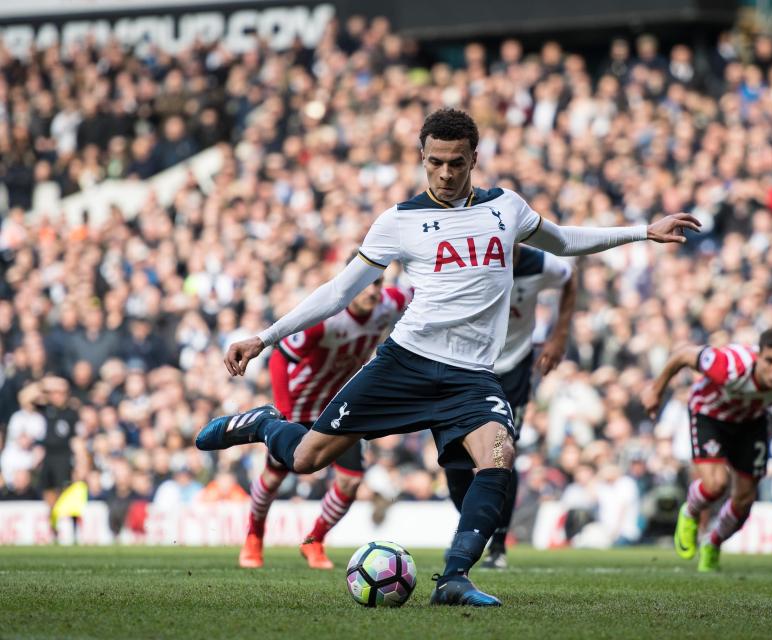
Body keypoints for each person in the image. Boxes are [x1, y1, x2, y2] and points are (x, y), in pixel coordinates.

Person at [196, 108, 699, 607]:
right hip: (405, 362)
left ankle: (454, 579)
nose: (445, 172)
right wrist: (264, 338)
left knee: (499, 456)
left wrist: (641, 231)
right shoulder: (399, 221)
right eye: (435, 161)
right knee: (306, 459)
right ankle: (263, 422)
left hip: (471, 377)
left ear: (474, 159)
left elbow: (564, 242)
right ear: (422, 157)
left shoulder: (507, 208)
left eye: (456, 162)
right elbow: (337, 291)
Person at [641, 326, 772, 572]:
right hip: (709, 415)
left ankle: (713, 543)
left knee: (745, 500)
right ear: (759, 355)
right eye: (770, 361)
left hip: (750, 422)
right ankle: (691, 510)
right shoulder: (730, 364)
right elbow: (683, 355)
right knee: (716, 485)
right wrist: (656, 389)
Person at [239, 277, 408, 569]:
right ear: (350, 284)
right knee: (274, 476)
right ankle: (254, 536)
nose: (372, 290)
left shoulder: (389, 304)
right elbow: (280, 358)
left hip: (342, 408)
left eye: (378, 282)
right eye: (365, 283)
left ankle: (314, 540)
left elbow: (422, 291)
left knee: (351, 481)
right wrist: (284, 412)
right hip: (301, 405)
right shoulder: (327, 318)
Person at [445, 244, 575, 568]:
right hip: (468, 365)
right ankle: (473, 528)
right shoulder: (469, 260)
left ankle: (499, 544)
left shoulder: (539, 263)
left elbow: (570, 277)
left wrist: (559, 335)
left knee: (502, 451)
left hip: (514, 367)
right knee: (454, 459)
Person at [36, 376, 81, 542]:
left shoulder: (71, 412)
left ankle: (73, 532)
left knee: (67, 494)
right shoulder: (45, 409)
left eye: (61, 392)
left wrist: (79, 461)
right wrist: (46, 384)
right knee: (49, 495)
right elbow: (25, 398)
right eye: (54, 393)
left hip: (64, 457)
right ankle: (54, 530)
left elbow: (76, 438)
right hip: (48, 457)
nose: (58, 396)